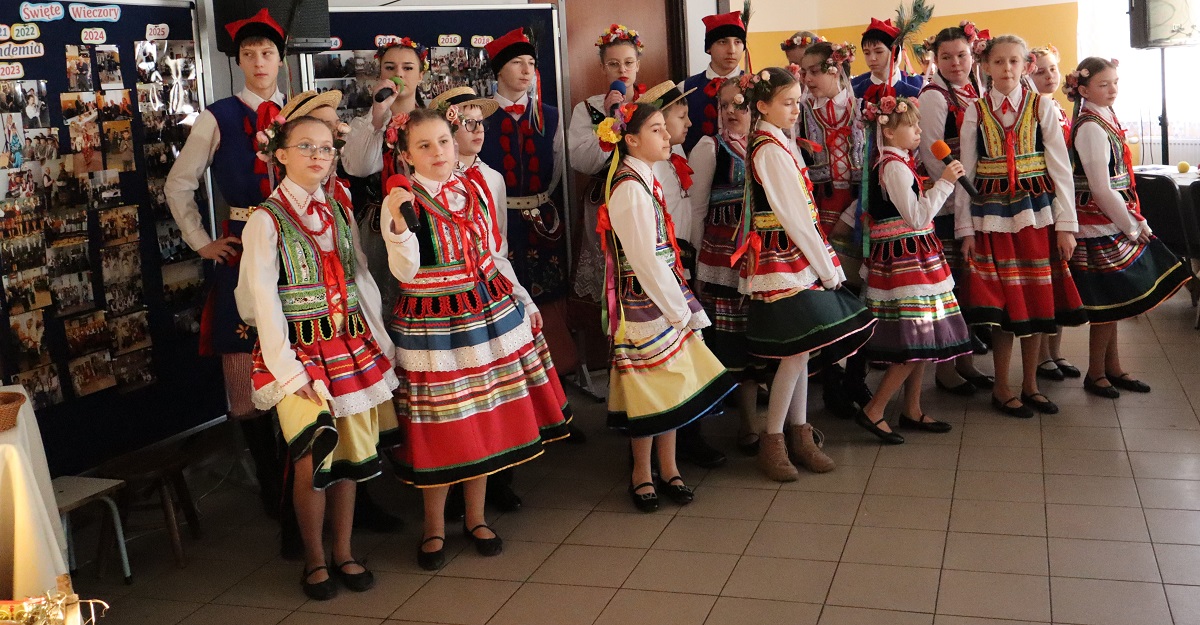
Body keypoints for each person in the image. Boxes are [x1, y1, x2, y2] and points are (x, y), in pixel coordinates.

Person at [381, 108, 571, 571]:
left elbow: (493, 254)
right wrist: (401, 225)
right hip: (434, 326)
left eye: (444, 142)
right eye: (424, 145)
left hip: (485, 312)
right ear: (406, 155)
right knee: (442, 426)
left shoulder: (475, 187)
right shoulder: (401, 201)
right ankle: (433, 527)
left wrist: (524, 301)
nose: (437, 152)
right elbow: (404, 271)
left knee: (484, 417)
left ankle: (476, 517)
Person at [236, 114, 399, 601]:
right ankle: (313, 558)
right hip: (297, 352)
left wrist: (380, 341)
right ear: (280, 154)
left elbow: (360, 278)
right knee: (312, 453)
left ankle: (344, 551)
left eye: (326, 148)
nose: (317, 156)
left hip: (347, 345)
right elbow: (260, 300)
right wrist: (289, 370)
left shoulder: (337, 210)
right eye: (305, 146)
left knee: (350, 455)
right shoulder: (266, 219)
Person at [163, 8, 302, 557]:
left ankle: (313, 476)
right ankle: (272, 484)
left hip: (300, 246)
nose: (259, 62)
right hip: (244, 247)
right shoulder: (218, 115)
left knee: (308, 355)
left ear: (281, 59)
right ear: (238, 61)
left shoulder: (303, 111)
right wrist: (201, 241)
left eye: (267, 52)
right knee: (246, 366)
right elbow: (180, 184)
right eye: (249, 54)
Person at [594, 101, 735, 512]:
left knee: (672, 383)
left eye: (663, 127)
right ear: (631, 139)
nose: (666, 135)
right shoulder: (629, 187)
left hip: (662, 291)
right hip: (644, 299)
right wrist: (679, 310)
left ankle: (669, 466)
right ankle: (642, 472)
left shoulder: (646, 177)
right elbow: (644, 260)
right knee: (648, 387)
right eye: (655, 129)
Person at [738, 67, 875, 481]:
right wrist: (828, 268)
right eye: (787, 102)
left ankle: (799, 434)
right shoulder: (768, 148)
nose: (796, 109)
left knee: (804, 349)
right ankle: (773, 438)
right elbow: (795, 218)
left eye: (798, 101)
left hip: (794, 256)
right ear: (763, 106)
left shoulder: (779, 141)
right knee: (795, 352)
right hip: (782, 259)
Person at [955, 35, 1087, 419]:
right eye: (998, 62)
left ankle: (1031, 384)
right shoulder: (975, 111)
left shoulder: (1041, 106)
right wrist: (965, 230)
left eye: (1014, 61)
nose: (1007, 69)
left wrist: (1066, 225)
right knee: (1003, 301)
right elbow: (966, 174)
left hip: (1036, 213)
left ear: (1026, 65)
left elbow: (1060, 168)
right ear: (986, 66)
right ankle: (1002, 385)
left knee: (1037, 297)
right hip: (992, 216)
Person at [1063, 57, 1190, 397]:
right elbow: (1101, 188)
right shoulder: (1090, 126)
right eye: (1103, 84)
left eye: (1115, 82)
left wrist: (1131, 219)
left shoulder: (1105, 115)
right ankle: (1096, 372)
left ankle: (1112, 367)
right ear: (1084, 89)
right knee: (1107, 302)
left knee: (1117, 300)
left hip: (1113, 217)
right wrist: (1132, 225)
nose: (1112, 89)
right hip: (1097, 222)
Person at [853, 95, 973, 444]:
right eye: (912, 125)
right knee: (914, 338)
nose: (920, 130)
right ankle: (874, 410)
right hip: (904, 262)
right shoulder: (893, 167)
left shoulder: (899, 163)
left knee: (924, 336)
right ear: (889, 132)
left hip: (915, 256)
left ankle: (912, 408)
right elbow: (917, 217)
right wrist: (946, 183)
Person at [643, 79, 727, 468]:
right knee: (667, 358)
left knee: (691, 353)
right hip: (663, 269)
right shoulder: (651, 167)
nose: (689, 123)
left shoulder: (675, 154)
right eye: (681, 116)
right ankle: (658, 448)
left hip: (683, 262)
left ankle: (688, 436)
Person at [690, 76, 772, 456]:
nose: (731, 112)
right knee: (734, 340)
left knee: (759, 334)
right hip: (723, 258)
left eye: (740, 104)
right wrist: (694, 264)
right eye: (724, 105)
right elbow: (697, 209)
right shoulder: (710, 147)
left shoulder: (767, 144)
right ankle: (747, 423)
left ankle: (771, 420)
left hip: (762, 256)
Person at [916, 24, 996, 397]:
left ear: (972, 55)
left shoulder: (977, 89)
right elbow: (932, 154)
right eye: (945, 57)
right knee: (950, 288)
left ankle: (964, 361)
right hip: (949, 203)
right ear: (936, 60)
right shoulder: (934, 96)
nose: (955, 63)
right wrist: (958, 190)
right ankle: (946, 370)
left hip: (975, 199)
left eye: (961, 55)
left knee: (968, 285)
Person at [797, 42, 873, 421]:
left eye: (814, 71)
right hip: (819, 213)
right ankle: (831, 382)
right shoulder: (799, 112)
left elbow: (873, 171)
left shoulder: (865, 111)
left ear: (835, 69)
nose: (807, 78)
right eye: (804, 72)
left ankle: (857, 377)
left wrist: (853, 213)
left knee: (861, 295)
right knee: (828, 300)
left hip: (859, 212)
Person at [479, 27, 568, 304]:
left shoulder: (551, 116)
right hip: (495, 220)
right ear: (499, 70)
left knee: (548, 299)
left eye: (531, 63)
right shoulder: (480, 117)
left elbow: (557, 170)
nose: (526, 70)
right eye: (517, 62)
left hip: (541, 221)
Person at [341, 37, 429, 315]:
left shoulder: (435, 123)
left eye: (408, 68)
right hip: (379, 227)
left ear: (421, 75)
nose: (399, 74)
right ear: (380, 75)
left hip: (428, 220)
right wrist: (378, 114)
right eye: (390, 68)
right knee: (381, 305)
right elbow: (358, 167)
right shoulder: (365, 125)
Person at [569, 24, 647, 304]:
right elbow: (580, 160)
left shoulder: (652, 105)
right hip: (605, 198)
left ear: (638, 65)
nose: (622, 70)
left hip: (646, 194)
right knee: (609, 275)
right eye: (613, 64)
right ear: (603, 68)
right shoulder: (587, 109)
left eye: (628, 62)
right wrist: (610, 122)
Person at [1028, 44, 1081, 383]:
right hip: (1042, 198)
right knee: (1045, 279)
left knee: (1061, 277)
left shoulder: (1058, 107)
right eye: (1040, 71)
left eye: (1052, 69)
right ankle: (1041, 356)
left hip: (1063, 194)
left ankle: (1055, 351)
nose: (1049, 76)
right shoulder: (1032, 110)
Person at [681, 11, 746, 152]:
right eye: (723, 42)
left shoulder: (755, 85)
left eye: (738, 42)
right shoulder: (685, 88)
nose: (732, 50)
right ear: (709, 47)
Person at [852, 18, 925, 102]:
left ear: (895, 53)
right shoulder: (854, 91)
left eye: (879, 52)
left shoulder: (917, 89)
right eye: (867, 53)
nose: (872, 58)